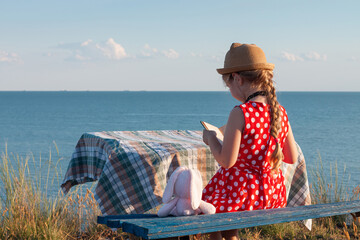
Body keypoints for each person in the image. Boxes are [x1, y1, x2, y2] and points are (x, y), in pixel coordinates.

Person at [202, 43, 298, 240]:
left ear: (237, 79)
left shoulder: (241, 113)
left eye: (228, 85)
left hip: (243, 195)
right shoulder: (280, 112)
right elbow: (291, 157)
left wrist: (211, 139)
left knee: (206, 209)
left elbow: (227, 161)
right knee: (223, 218)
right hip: (272, 195)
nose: (230, 89)